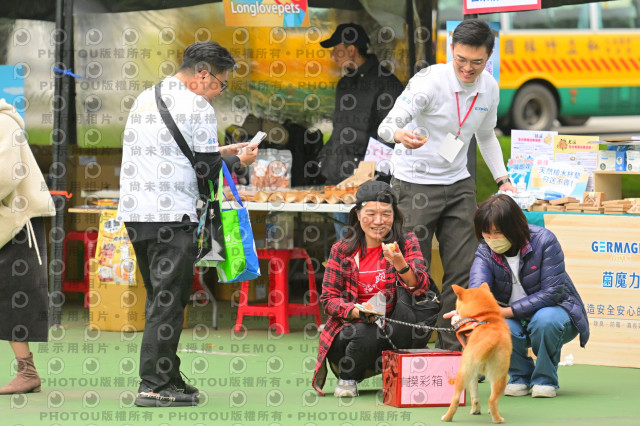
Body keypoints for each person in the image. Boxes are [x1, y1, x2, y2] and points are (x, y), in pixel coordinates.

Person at [116, 41, 255, 407]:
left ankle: (168, 375)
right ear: (203, 74)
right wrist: (238, 163)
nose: (219, 91)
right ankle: (153, 385)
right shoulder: (198, 106)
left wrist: (223, 153)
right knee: (169, 301)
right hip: (173, 215)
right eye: (221, 83)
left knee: (161, 298)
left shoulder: (146, 97)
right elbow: (207, 171)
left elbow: (174, 152)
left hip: (136, 212)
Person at [377, 19, 516, 350]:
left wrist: (503, 178)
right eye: (461, 60)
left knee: (465, 267)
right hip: (414, 183)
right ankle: (410, 346)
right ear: (451, 50)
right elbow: (387, 125)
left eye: (476, 62)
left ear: (489, 57)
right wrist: (399, 134)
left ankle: (450, 348)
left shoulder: (489, 88)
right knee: (413, 268)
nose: (467, 68)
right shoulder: (429, 81)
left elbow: (485, 135)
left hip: (458, 182)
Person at [312, 180, 437, 397]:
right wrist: (356, 311)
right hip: (351, 334)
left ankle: (398, 371)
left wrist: (400, 263)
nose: (378, 221)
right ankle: (348, 376)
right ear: (358, 214)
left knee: (400, 322)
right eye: (370, 214)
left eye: (386, 214)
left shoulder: (406, 242)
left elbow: (421, 289)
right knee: (364, 330)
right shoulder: (342, 250)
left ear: (394, 215)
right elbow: (328, 299)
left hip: (395, 329)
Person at [469, 194, 589, 398]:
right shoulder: (485, 251)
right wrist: (467, 311)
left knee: (545, 320)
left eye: (497, 232)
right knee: (497, 325)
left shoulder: (545, 240)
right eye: (486, 233)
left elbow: (552, 293)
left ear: (514, 226)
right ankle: (519, 376)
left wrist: (506, 311)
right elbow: (477, 288)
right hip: (513, 320)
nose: (491, 239)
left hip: (557, 313)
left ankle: (545, 379)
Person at [318, 23, 404, 240]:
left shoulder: (387, 84)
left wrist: (371, 174)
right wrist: (325, 160)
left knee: (372, 243)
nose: (333, 56)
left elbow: (391, 135)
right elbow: (338, 129)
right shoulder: (344, 83)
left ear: (351, 50)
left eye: (336, 50)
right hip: (338, 177)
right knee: (344, 244)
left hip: (371, 181)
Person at [0, 99, 55, 394]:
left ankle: (27, 372)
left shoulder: (4, 123)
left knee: (15, 295)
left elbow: (7, 174)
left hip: (18, 221)